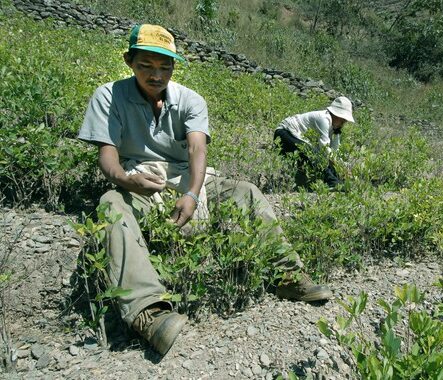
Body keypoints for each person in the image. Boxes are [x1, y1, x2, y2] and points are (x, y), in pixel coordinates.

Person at [78, 24, 332, 356]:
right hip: (139, 178)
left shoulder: (190, 100)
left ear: (174, 67)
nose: (156, 75)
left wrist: (192, 194)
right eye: (146, 66)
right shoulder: (108, 96)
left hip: (187, 177)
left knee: (246, 191)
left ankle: (286, 276)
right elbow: (107, 157)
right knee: (111, 203)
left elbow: (197, 150)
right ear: (129, 61)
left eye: (164, 67)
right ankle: (146, 313)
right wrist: (126, 181)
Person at [274, 97, 354, 189]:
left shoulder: (335, 128)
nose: (344, 123)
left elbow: (334, 150)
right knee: (312, 153)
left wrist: (341, 167)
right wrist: (340, 166)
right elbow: (324, 147)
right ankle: (332, 182)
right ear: (336, 115)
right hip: (283, 134)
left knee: (316, 155)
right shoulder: (323, 119)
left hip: (296, 138)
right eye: (343, 119)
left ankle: (335, 182)